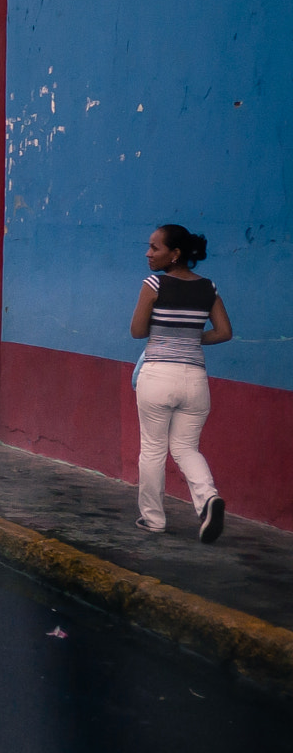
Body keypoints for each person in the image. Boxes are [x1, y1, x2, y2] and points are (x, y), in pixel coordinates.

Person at [131, 223, 232, 541]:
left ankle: (153, 519)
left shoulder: (153, 283)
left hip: (158, 376)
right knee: (187, 448)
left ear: (175, 255)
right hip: (195, 380)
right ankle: (208, 500)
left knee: (152, 450)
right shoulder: (208, 287)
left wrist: (168, 335)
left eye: (155, 248)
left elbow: (137, 330)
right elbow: (224, 332)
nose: (148, 253)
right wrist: (191, 338)